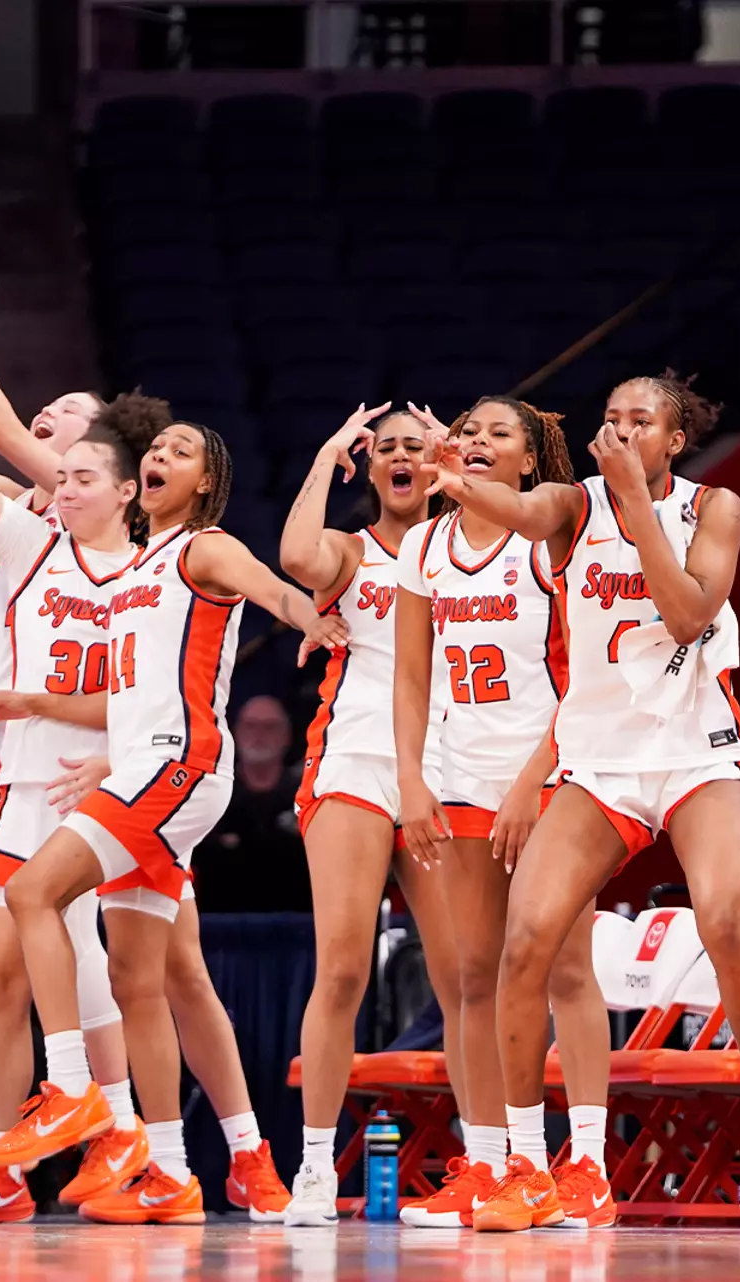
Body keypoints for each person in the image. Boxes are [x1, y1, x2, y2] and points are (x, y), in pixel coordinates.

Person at [419, 375, 740, 1228]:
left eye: (642, 421)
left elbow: (691, 614)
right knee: (526, 945)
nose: (621, 429)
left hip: (695, 753)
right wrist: (457, 476)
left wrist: (637, 506)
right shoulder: (570, 504)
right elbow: (517, 511)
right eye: (613, 417)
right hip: (600, 763)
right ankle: (531, 1166)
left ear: (674, 441)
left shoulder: (716, 507)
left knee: (725, 921)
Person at [0, 419, 333, 1225]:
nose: (163, 458)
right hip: (143, 767)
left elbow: (263, 582)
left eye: (182, 451)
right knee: (139, 978)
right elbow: (144, 693)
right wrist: (56, 719)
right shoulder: (134, 567)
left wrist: (307, 613)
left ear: (205, 482)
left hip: (180, 768)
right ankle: (173, 1172)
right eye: (158, 450)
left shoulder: (200, 547)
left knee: (34, 896)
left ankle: (72, 1087)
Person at [394, 397, 614, 1229]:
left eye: (499, 434)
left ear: (530, 463)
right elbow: (411, 676)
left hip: (554, 772)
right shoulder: (424, 543)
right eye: (470, 430)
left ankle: (586, 1165)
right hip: (458, 776)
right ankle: (492, 1165)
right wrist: (411, 781)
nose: (479, 441)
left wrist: (535, 779)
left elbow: (588, 670)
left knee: (562, 970)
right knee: (470, 978)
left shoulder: (552, 540)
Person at [0, 397, 161, 1222]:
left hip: (101, 788)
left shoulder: (159, 573)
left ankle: (133, 1140)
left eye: (81, 474)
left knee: (120, 970)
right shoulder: (34, 542)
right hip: (12, 777)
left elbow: (162, 698)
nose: (62, 485)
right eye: (60, 477)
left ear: (123, 488)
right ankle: (10, 1161)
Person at [278, 405, 466, 1227]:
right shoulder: (352, 554)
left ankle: (487, 1163)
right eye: (384, 448)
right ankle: (314, 1168)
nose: (400, 458)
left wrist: (461, 457)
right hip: (354, 760)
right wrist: (325, 455)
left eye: (414, 449)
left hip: (441, 771)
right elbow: (291, 555)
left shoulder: (467, 551)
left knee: (463, 977)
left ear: (437, 463)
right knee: (344, 969)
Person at [0, 279, 104, 1031]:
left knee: (91, 958)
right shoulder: (11, 504)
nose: (52, 409)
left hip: (66, 747)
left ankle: (117, 1119)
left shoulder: (93, 516)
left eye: (73, 407)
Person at [192, 695, 309, 912]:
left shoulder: (306, 797)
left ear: (287, 735)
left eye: (270, 727)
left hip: (297, 922)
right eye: (251, 726)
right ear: (235, 732)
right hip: (218, 924)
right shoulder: (209, 794)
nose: (259, 735)